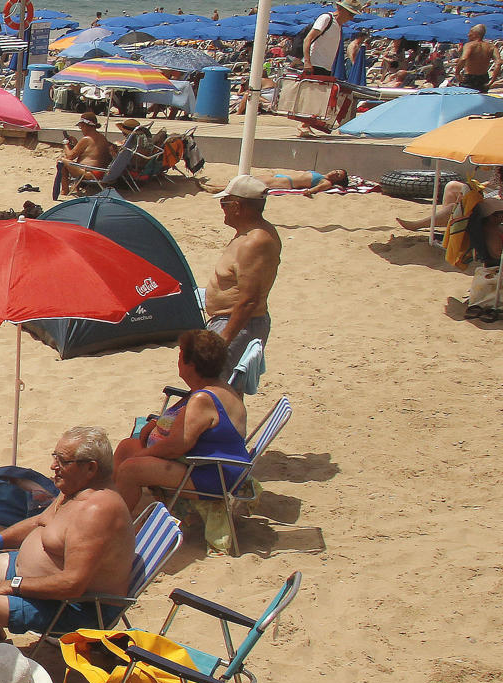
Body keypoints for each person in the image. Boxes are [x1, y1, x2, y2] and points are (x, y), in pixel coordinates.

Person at [0, 427, 134, 648]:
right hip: (40, 586)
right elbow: (39, 522)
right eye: (55, 457)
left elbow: (72, 584)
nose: (53, 467)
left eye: (63, 461)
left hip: (75, 608)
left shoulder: (97, 512)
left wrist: (13, 585)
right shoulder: (74, 489)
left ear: (90, 468)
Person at [112, 330, 249, 511]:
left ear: (190, 364)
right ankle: (112, 502)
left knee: (130, 469)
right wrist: (155, 425)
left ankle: (116, 525)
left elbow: (177, 446)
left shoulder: (203, 399)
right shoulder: (218, 387)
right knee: (127, 447)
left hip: (213, 474)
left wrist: (143, 455)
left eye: (180, 354)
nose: (177, 360)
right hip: (209, 464)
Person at [202, 175, 281, 360]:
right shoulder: (249, 235)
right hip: (232, 323)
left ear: (237, 206)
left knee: (219, 385)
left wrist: (223, 340)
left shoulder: (254, 242)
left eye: (224, 203)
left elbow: (249, 300)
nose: (222, 209)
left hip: (237, 326)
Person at [53, 115, 113, 198]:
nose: (81, 129)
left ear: (85, 125)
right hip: (100, 172)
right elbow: (87, 153)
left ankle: (64, 190)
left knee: (61, 161)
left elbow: (70, 156)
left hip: (88, 173)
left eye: (81, 126)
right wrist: (76, 143)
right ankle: (74, 187)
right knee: (67, 161)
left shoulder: (86, 139)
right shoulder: (101, 137)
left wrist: (65, 144)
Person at [302, 0, 360, 77]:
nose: (351, 18)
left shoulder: (339, 27)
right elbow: (308, 39)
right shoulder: (327, 18)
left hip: (327, 68)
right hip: (314, 65)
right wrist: (307, 62)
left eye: (353, 15)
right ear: (341, 9)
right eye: (351, 14)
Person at [456, 22, 495, 92]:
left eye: (470, 32)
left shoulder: (469, 45)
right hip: (483, 77)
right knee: (482, 99)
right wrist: (492, 80)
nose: (468, 35)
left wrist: (457, 73)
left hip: (470, 77)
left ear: (476, 34)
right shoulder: (491, 46)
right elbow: (499, 62)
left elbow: (463, 58)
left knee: (467, 99)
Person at [262, 168, 353, 195]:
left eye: (338, 175)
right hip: (281, 177)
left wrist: (308, 192)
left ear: (337, 181)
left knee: (252, 182)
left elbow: (316, 189)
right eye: (337, 171)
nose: (335, 173)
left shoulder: (326, 182)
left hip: (286, 182)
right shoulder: (321, 175)